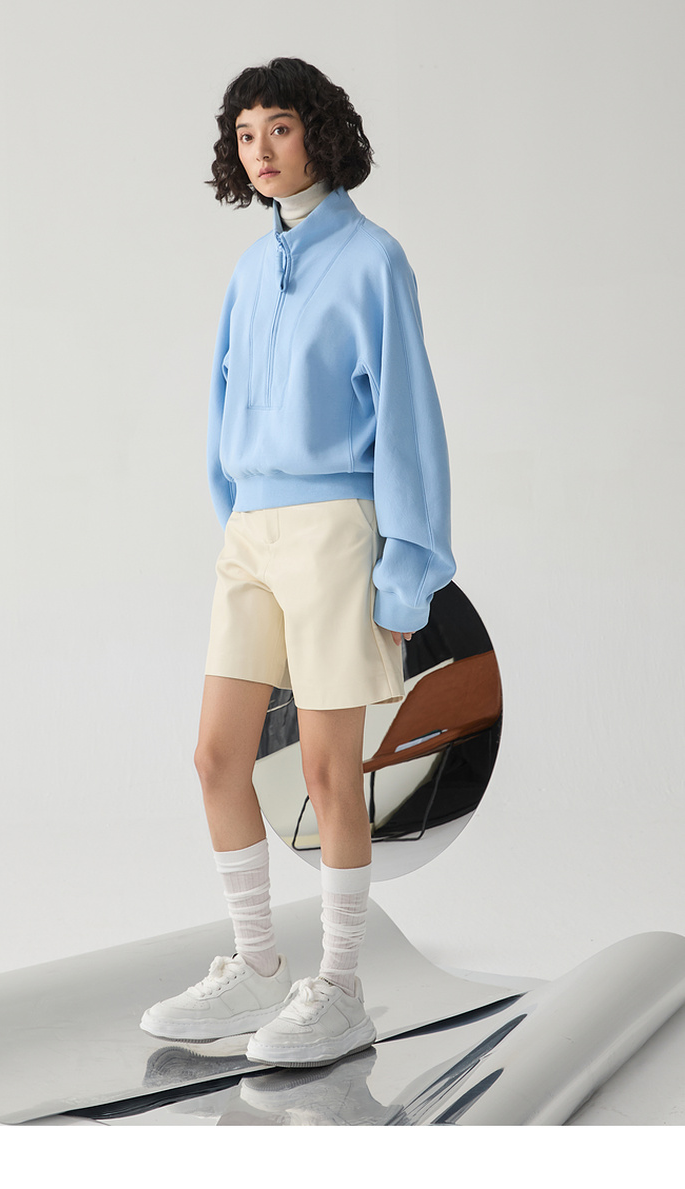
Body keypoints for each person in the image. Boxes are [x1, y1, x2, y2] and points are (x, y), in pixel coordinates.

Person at [141, 57, 456, 1068]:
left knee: (327, 770)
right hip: (253, 533)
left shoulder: (372, 259)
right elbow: (221, 404)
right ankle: (258, 966)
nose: (260, 150)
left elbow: (409, 421)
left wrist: (407, 569)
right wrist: (235, 518)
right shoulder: (248, 270)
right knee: (216, 757)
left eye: (278, 127)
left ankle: (343, 989)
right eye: (245, 134)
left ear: (320, 131)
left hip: (334, 530)